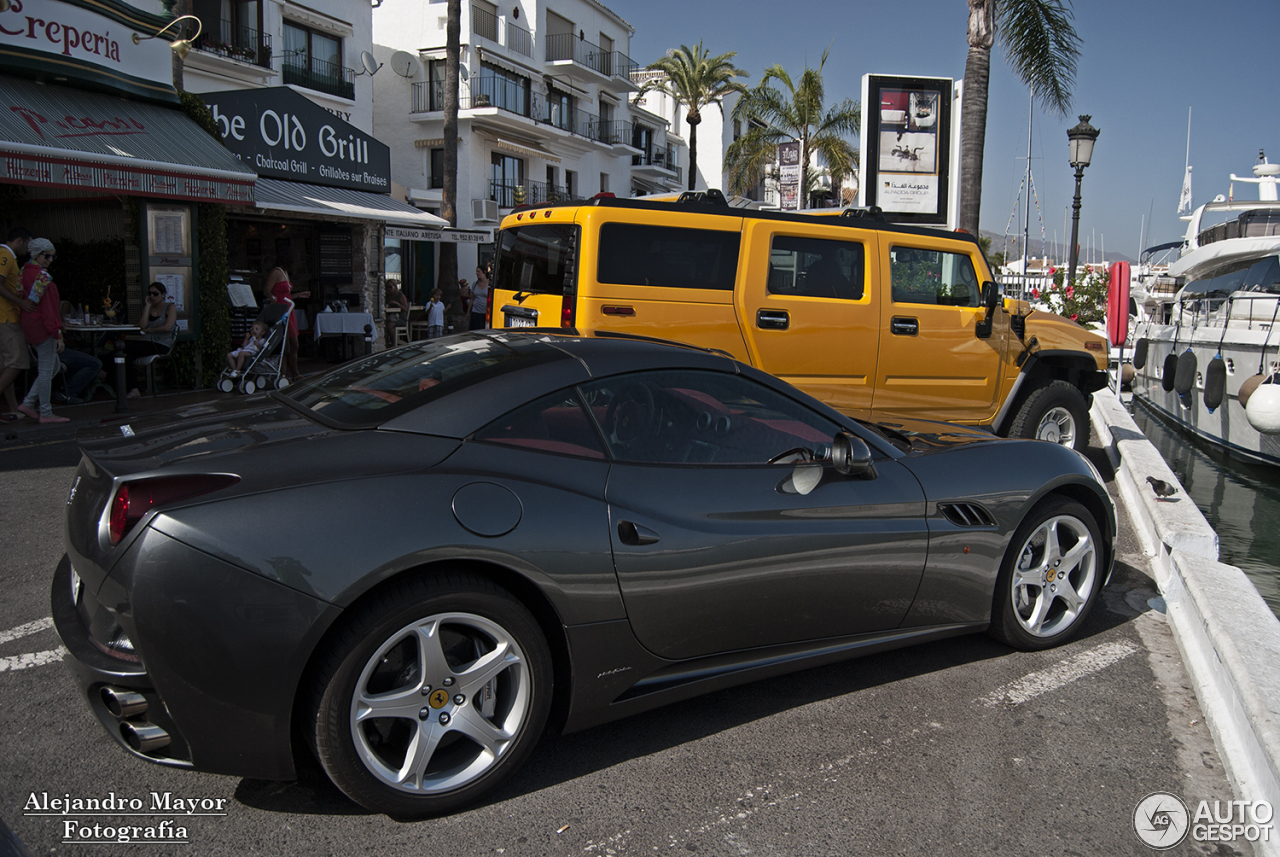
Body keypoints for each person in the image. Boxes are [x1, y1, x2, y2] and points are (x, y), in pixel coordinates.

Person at [16, 240, 101, 422]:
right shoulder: (43, 278)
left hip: (29, 325)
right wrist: (58, 334)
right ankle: (45, 412)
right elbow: (49, 310)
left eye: (52, 256)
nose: (50, 259)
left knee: (52, 367)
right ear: (37, 254)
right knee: (47, 369)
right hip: (43, 327)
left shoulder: (23, 273)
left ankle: (28, 403)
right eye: (47, 255)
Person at [0, 226, 34, 421]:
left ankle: (13, 408)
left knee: (6, 365)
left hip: (4, 317)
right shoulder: (5, 256)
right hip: (7, 317)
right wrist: (21, 302)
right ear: (20, 241)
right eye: (27, 244)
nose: (28, 250)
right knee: (17, 362)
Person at [123, 281, 178, 399]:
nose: (152, 296)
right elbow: (142, 325)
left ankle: (105, 372)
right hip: (147, 341)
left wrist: (150, 330)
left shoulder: (170, 307)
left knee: (123, 345)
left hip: (161, 343)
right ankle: (134, 389)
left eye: (155, 293)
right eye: (150, 294)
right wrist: (147, 307)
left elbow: (167, 327)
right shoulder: (149, 308)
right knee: (125, 356)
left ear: (163, 294)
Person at [264, 248, 310, 381]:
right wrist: (274, 301)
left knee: (293, 342)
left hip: (289, 308)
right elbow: (268, 291)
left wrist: (299, 295)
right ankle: (287, 374)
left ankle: (293, 373)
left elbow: (286, 294)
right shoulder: (276, 272)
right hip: (281, 309)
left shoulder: (285, 273)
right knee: (287, 342)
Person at [470, 265, 490, 330]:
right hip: (475, 312)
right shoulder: (475, 284)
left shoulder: (489, 285)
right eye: (476, 271)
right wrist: (468, 312)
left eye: (479, 271)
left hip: (484, 313)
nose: (477, 273)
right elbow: (472, 298)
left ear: (484, 272)